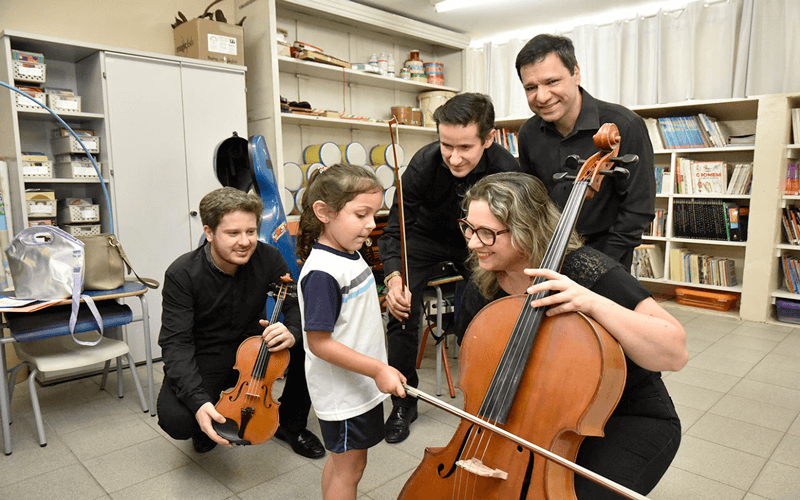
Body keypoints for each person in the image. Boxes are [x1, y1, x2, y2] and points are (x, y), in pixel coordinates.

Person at [453, 172, 687, 499]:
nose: (473, 242)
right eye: (469, 228)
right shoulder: (484, 285)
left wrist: (591, 302)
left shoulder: (584, 270)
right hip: (533, 419)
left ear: (527, 229)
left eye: (487, 233)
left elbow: (675, 352)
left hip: (623, 417)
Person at [378, 92, 523, 443]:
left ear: (488, 139)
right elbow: (396, 228)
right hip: (426, 237)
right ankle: (403, 400)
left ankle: (486, 396)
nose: (454, 158)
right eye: (446, 146)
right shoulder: (423, 164)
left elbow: (518, 231)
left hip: (477, 239)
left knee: (484, 308)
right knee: (401, 308)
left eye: (465, 148)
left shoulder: (508, 169)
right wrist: (394, 278)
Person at [157, 187, 325, 458]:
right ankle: (205, 421)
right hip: (207, 355)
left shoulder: (268, 257)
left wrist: (292, 331)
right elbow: (175, 343)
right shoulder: (182, 274)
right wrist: (198, 402)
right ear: (209, 232)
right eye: (233, 233)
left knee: (310, 343)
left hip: (253, 351)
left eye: (250, 232)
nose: (245, 241)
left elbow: (294, 303)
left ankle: (291, 425)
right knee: (177, 419)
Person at [295, 163, 407, 500]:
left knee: (342, 463)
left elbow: (350, 315)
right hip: (344, 393)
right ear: (324, 212)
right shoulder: (323, 273)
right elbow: (318, 343)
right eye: (361, 214)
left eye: (374, 214)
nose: (372, 224)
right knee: (350, 470)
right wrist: (378, 369)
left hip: (359, 384)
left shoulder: (348, 253)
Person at [515, 34, 655, 270]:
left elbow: (638, 209)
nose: (542, 96)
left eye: (551, 82)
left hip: (608, 251)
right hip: (549, 252)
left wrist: (601, 266)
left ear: (576, 74)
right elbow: (532, 202)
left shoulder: (625, 124)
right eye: (531, 87)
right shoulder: (528, 133)